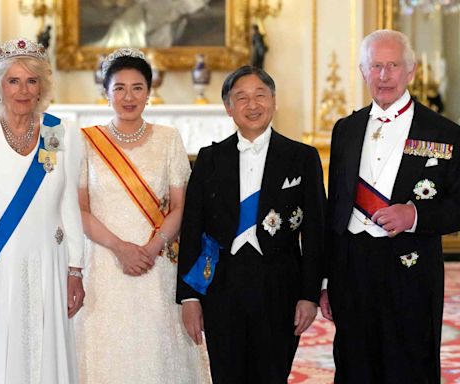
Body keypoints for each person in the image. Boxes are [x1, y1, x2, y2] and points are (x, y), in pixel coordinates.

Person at [320, 29, 460, 383]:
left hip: (410, 270)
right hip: (353, 269)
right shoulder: (345, 129)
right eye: (376, 66)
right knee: (354, 366)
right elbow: (335, 210)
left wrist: (415, 215)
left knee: (409, 366)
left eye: (393, 66)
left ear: (410, 72)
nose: (384, 76)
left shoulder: (444, 132)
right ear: (363, 72)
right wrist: (326, 280)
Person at [177, 65, 326, 384]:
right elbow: (192, 228)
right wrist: (189, 296)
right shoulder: (210, 159)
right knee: (226, 373)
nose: (252, 104)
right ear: (228, 108)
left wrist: (310, 294)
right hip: (222, 286)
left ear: (274, 101)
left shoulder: (301, 157)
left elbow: (315, 231)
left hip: (280, 285)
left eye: (261, 95)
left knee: (273, 373)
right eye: (241, 98)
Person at [0, 38, 85, 383]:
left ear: (42, 87)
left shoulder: (56, 132)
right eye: (13, 81)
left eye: (31, 81)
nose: (23, 90)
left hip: (47, 262)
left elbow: (67, 201)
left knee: (43, 353)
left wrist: (76, 268)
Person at [75, 47, 210, 383]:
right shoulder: (85, 141)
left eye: (137, 87)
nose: (128, 96)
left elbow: (180, 207)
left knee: (156, 348)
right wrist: (121, 248)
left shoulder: (169, 139)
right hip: (105, 262)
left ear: (149, 93)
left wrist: (150, 249)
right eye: (119, 87)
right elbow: (80, 209)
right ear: (105, 93)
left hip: (156, 264)